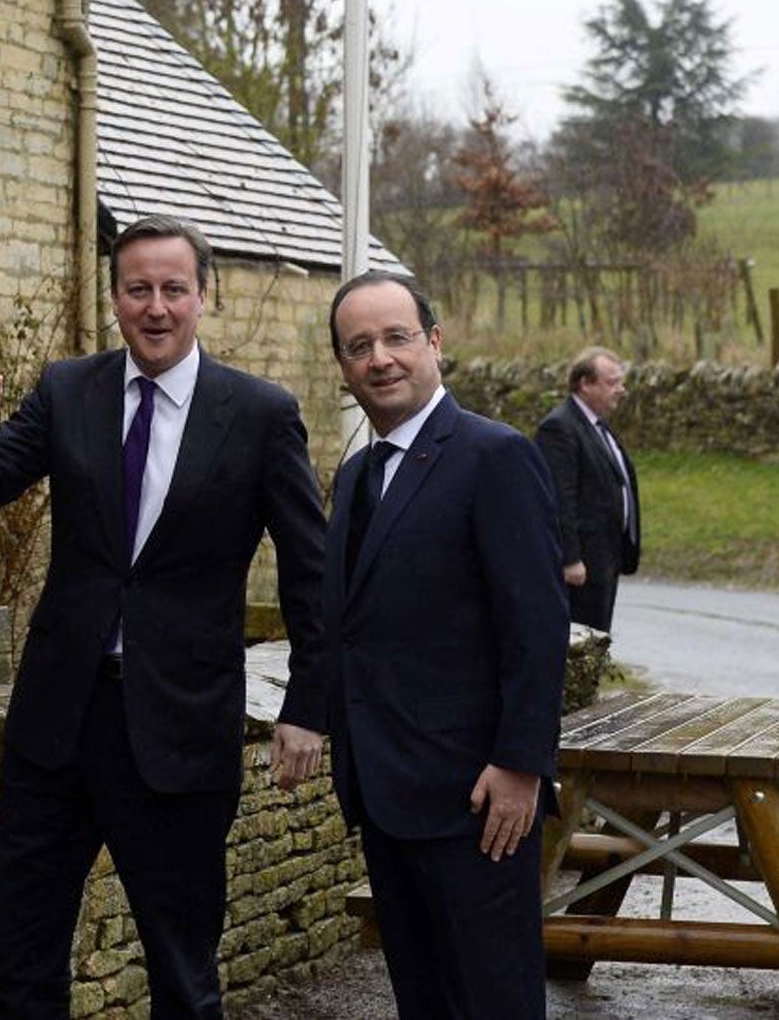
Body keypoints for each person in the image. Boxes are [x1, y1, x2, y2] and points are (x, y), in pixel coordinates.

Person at [0, 215, 328, 1020]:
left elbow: (311, 573)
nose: (155, 307)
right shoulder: (68, 389)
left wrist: (309, 709)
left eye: (173, 289)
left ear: (201, 298)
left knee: (182, 973)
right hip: (56, 725)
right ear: (114, 298)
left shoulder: (258, 413)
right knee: (21, 961)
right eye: (138, 288)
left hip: (180, 730)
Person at [322, 269, 567, 1020]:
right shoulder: (357, 475)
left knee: (492, 1001)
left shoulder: (494, 456)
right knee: (422, 1002)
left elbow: (536, 624)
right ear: (343, 367)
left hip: (476, 796)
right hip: (385, 791)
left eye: (397, 337)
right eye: (358, 346)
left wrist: (521, 765)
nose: (380, 359)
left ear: (434, 342)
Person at [535, 345, 642, 633]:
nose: (621, 390)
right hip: (581, 568)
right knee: (580, 647)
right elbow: (558, 497)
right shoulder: (560, 428)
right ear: (585, 384)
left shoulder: (597, 427)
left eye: (621, 381)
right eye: (612, 383)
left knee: (597, 640)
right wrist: (570, 559)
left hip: (605, 560)